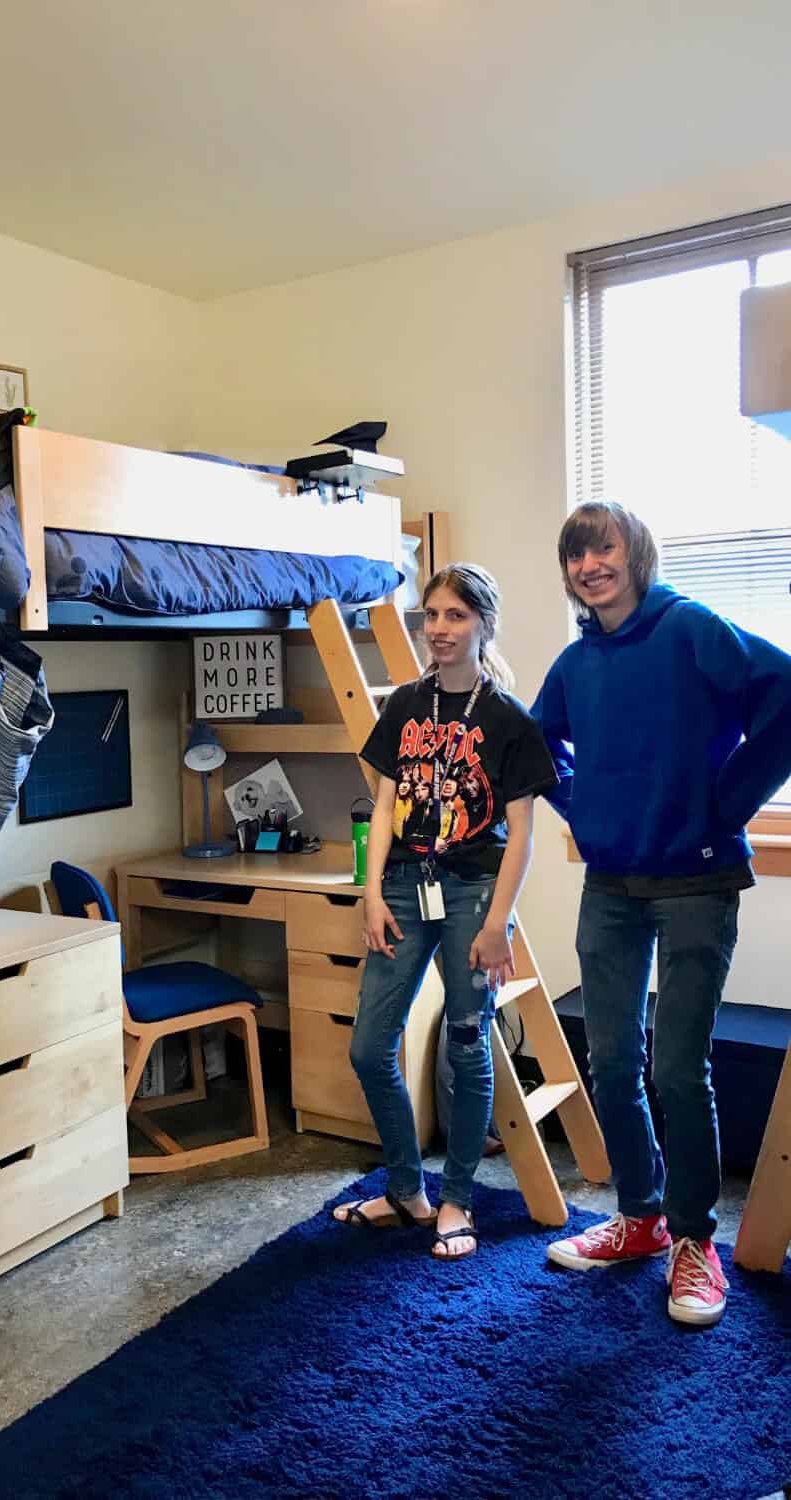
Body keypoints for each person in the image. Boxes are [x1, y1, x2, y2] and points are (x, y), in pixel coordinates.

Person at [533, 501, 791, 1325]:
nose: (588, 565)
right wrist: (585, 811)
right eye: (576, 555)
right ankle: (639, 1219)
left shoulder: (690, 628)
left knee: (677, 1069)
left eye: (602, 548)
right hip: (610, 885)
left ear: (634, 554)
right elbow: (536, 747)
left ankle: (693, 1241)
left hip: (697, 883)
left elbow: (784, 691)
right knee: (610, 1062)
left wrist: (730, 801)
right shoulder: (578, 663)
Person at [333, 564, 557, 1258]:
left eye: (456, 616)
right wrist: (370, 895)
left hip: (474, 893)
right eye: (431, 615)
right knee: (370, 1046)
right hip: (403, 884)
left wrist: (498, 925)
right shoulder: (403, 704)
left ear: (483, 624)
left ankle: (457, 1198)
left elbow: (521, 832)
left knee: (467, 1043)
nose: (439, 629)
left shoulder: (508, 719)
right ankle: (406, 1190)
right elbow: (383, 804)